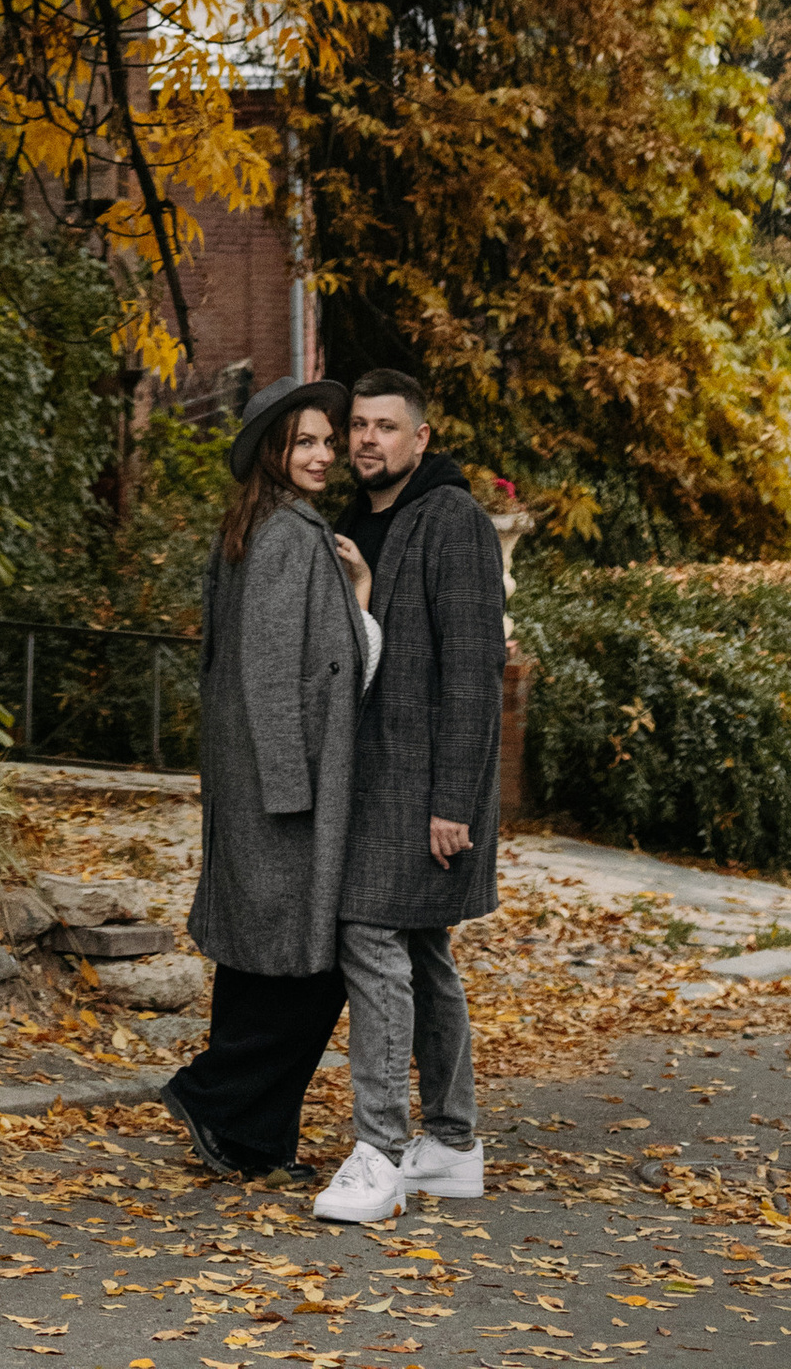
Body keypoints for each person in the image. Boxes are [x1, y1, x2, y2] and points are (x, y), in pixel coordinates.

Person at [162, 374, 381, 1181]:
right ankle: (212, 1098)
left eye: (329, 441)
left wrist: (354, 589)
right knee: (310, 971)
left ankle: (250, 1140)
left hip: (256, 783)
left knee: (259, 965)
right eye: (307, 443)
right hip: (284, 790)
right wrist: (292, 790)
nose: (324, 455)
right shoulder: (290, 534)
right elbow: (267, 670)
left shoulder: (260, 527)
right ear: (274, 453)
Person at [309, 366, 508, 1227]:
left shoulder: (453, 521)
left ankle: (381, 1153)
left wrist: (454, 801)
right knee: (424, 952)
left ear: (420, 439)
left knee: (371, 934)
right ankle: (455, 1146)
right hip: (373, 777)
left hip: (426, 784)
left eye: (385, 427)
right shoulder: (358, 520)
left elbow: (475, 668)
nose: (365, 440)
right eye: (357, 424)